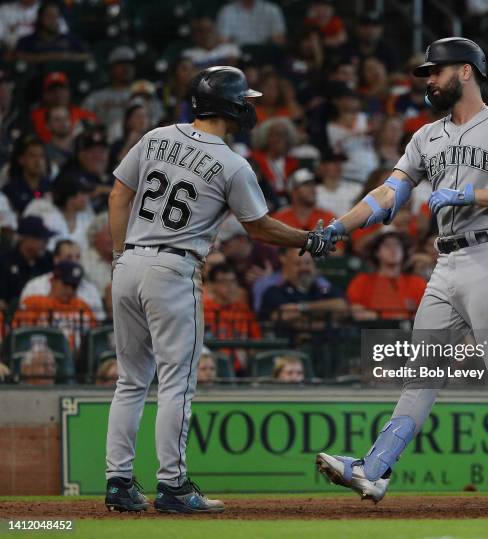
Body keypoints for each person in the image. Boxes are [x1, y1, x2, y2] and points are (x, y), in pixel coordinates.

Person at [314, 37, 488, 511]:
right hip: (446, 263)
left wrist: (472, 196)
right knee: (421, 371)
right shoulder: (426, 136)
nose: (428, 80)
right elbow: (390, 192)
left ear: (465, 72)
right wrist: (339, 228)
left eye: (436, 71)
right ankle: (376, 468)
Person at [104, 65, 333, 514]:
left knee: (130, 381)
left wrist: (119, 258)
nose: (249, 107)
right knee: (177, 384)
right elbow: (260, 228)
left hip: (129, 261)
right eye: (244, 100)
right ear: (229, 105)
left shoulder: (155, 136)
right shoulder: (231, 163)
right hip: (173, 268)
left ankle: (119, 482)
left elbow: (117, 195)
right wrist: (308, 239)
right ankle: (172, 485)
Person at [12, 260, 96, 350]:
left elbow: (95, 340)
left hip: (79, 360)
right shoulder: (33, 303)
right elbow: (21, 339)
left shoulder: (83, 307)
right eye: (66, 284)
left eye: (74, 286)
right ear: (52, 280)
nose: (70, 290)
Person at [347, 231, 426, 320]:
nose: (393, 249)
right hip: (372, 332)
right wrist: (393, 318)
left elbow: (427, 315)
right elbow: (357, 313)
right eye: (387, 245)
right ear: (377, 253)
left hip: (409, 332)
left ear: (403, 252)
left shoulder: (417, 282)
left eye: (397, 245)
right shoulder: (362, 282)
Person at [20, 238, 104, 321]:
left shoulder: (90, 289)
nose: (74, 261)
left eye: (77, 257)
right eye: (69, 257)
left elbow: (99, 324)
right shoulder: (35, 286)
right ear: (56, 259)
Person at [203, 263, 261, 373]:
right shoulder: (203, 311)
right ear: (211, 285)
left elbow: (256, 342)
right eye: (223, 282)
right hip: (211, 368)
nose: (229, 286)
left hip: (241, 369)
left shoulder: (244, 311)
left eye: (233, 281)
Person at [23, 172, 95, 253]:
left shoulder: (87, 218)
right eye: (83, 193)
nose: (87, 198)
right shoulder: (47, 216)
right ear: (70, 198)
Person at [82, 46, 137, 142]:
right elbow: (83, 120)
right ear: (110, 68)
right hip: (103, 144)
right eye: (121, 64)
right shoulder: (96, 97)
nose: (126, 68)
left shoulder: (143, 94)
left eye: (130, 64)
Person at [0, 215, 54, 309]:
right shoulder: (5, 262)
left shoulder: (47, 259)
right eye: (43, 240)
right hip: (15, 318)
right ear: (28, 240)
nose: (46, 245)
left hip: (44, 314)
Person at [30, 71, 96, 143]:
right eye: (52, 89)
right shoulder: (33, 117)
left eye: (62, 87)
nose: (58, 92)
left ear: (69, 92)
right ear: (45, 95)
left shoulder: (86, 115)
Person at [14, 1, 89, 64]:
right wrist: (47, 57)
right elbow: (17, 56)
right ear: (40, 18)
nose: (53, 20)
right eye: (49, 16)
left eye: (56, 16)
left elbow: (87, 55)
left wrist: (67, 57)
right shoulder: (27, 41)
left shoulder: (70, 39)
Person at [2, 134, 50, 213]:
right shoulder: (10, 189)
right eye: (32, 156)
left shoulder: (51, 186)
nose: (38, 161)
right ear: (21, 160)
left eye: (41, 156)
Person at [216, 0, 286, 47]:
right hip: (238, 55)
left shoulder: (272, 10)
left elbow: (279, 40)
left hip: (265, 53)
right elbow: (223, 41)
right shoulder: (227, 11)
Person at [315, 148, 361, 217]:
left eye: (340, 162)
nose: (338, 165)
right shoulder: (314, 192)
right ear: (322, 166)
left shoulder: (356, 189)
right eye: (333, 162)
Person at [44, 105, 74, 175]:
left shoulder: (83, 149)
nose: (63, 123)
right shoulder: (43, 152)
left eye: (66, 118)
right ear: (47, 126)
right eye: (57, 120)